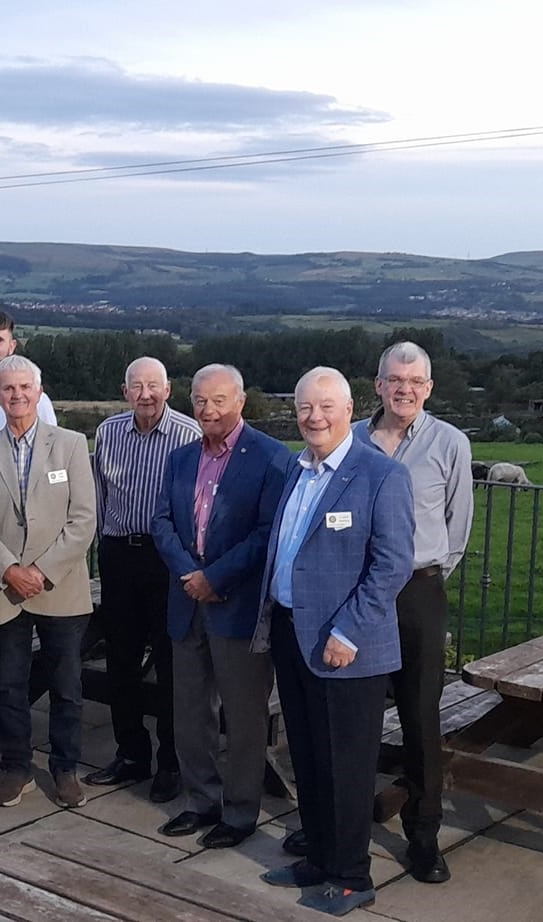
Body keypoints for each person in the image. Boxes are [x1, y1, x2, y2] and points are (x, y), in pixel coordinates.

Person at [254, 366, 414, 917]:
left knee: (346, 766)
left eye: (326, 407)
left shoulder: (380, 475)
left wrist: (347, 630)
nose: (314, 417)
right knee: (309, 758)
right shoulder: (297, 470)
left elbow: (392, 566)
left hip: (348, 646)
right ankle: (319, 859)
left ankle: (351, 875)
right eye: (304, 407)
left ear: (350, 410)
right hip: (293, 634)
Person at [150, 365, 289, 849]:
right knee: (190, 712)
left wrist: (216, 577)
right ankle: (200, 800)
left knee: (244, 715)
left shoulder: (272, 459)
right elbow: (162, 520)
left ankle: (241, 811)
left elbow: (268, 534)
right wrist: (191, 575)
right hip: (187, 603)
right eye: (200, 401)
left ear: (241, 401)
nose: (208, 410)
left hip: (238, 606)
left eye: (219, 400)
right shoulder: (181, 457)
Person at [351, 342, 472, 883]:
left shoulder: (451, 443)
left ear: (428, 388)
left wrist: (421, 582)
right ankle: (344, 821)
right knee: (355, 714)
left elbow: (457, 528)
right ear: (377, 384)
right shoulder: (350, 438)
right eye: (394, 380)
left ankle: (424, 836)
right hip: (358, 595)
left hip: (418, 594)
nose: (404, 389)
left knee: (421, 718)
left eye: (415, 381)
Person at [0, 356, 97, 809]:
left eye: (25, 388)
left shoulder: (73, 445)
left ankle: (65, 769)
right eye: (8, 389)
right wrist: (10, 571)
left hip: (59, 587)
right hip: (4, 589)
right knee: (7, 685)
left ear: (39, 393)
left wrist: (39, 572)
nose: (17, 395)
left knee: (66, 687)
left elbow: (83, 520)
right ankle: (15, 766)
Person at [87, 356, 201, 802]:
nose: (146, 394)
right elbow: (99, 498)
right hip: (118, 554)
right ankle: (131, 753)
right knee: (121, 659)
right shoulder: (109, 433)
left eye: (154, 386)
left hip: (166, 559)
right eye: (137, 386)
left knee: (172, 664)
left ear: (169, 390)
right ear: (125, 391)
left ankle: (171, 762)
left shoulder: (189, 435)